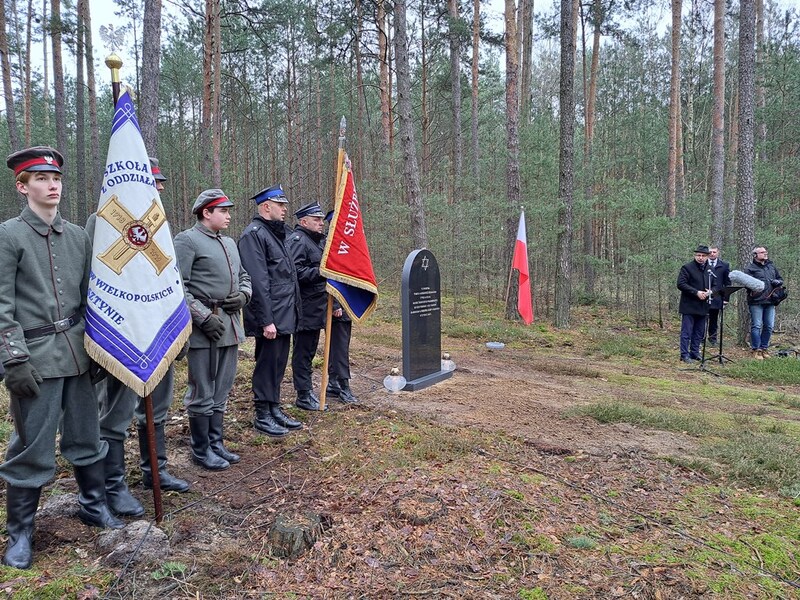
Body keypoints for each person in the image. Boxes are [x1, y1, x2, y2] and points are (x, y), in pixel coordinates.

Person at [0, 147, 123, 570]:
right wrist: (13, 360)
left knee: (87, 436)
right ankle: (20, 532)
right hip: (34, 359)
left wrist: (99, 346)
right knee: (32, 446)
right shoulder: (8, 236)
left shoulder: (78, 237)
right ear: (22, 187)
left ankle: (93, 505)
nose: (52, 185)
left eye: (55, 179)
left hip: (78, 351)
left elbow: (93, 297)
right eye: (40, 179)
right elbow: (1, 304)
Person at [86, 158, 189, 519]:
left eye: (159, 184)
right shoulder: (102, 223)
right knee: (115, 416)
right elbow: (97, 282)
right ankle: (113, 486)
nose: (158, 189)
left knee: (156, 411)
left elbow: (168, 282)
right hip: (123, 335)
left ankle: (155, 472)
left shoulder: (157, 227)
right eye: (152, 183)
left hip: (156, 332)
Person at [174, 189, 252, 470]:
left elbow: (244, 276)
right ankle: (201, 449)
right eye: (223, 211)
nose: (229, 215)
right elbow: (177, 286)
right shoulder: (187, 240)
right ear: (206, 212)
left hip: (230, 325)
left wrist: (243, 295)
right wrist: (203, 317)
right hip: (203, 330)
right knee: (202, 391)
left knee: (222, 388)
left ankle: (216, 443)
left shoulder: (229, 243)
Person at [238, 184, 302, 437]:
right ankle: (262, 413)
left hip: (284, 312)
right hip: (270, 316)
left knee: (278, 363)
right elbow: (258, 281)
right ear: (266, 207)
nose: (285, 209)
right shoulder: (254, 235)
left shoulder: (277, 233)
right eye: (280, 205)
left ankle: (274, 407)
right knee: (266, 364)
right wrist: (266, 321)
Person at [287, 202, 329, 411]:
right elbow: (296, 273)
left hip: (317, 306)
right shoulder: (298, 241)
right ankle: (303, 394)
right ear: (303, 221)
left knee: (310, 350)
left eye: (321, 219)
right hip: (305, 306)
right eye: (316, 219)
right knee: (303, 352)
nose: (321, 223)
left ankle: (307, 391)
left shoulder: (316, 242)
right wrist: (321, 272)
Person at [322, 211, 358, 405]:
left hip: (346, 303)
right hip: (335, 305)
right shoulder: (332, 246)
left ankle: (334, 383)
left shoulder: (347, 245)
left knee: (339, 346)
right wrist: (335, 304)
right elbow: (330, 277)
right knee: (339, 348)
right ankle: (343, 386)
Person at [745, 246, 783, 359]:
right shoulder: (750, 268)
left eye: (765, 252)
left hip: (771, 301)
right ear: (755, 255)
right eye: (762, 252)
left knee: (769, 326)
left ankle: (764, 348)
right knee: (756, 325)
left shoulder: (771, 267)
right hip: (756, 301)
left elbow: (780, 279)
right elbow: (746, 284)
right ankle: (756, 349)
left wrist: (778, 282)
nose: (765, 254)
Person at [677, 245, 712, 363]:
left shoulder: (710, 270)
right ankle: (684, 354)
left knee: (699, 332)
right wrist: (696, 292)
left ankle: (694, 352)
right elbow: (681, 284)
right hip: (689, 305)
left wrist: (710, 292)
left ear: (707, 257)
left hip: (703, 306)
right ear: (695, 255)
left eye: (703, 256)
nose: (700, 258)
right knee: (686, 331)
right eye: (698, 255)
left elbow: (716, 284)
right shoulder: (687, 268)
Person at [706, 247, 731, 345]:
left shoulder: (724, 265)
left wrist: (726, 299)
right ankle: (700, 338)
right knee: (702, 318)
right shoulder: (703, 264)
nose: (712, 254)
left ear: (718, 253)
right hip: (704, 296)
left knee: (714, 319)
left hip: (717, 297)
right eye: (710, 252)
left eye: (714, 252)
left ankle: (713, 339)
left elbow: (727, 283)